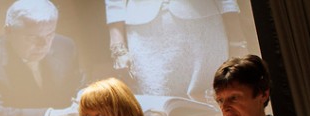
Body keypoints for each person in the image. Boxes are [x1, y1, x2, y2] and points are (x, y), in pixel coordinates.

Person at [104, 0, 245, 100]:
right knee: (161, 106)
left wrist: (237, 39)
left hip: (203, 29)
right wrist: (118, 47)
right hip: (145, 37)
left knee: (214, 97)